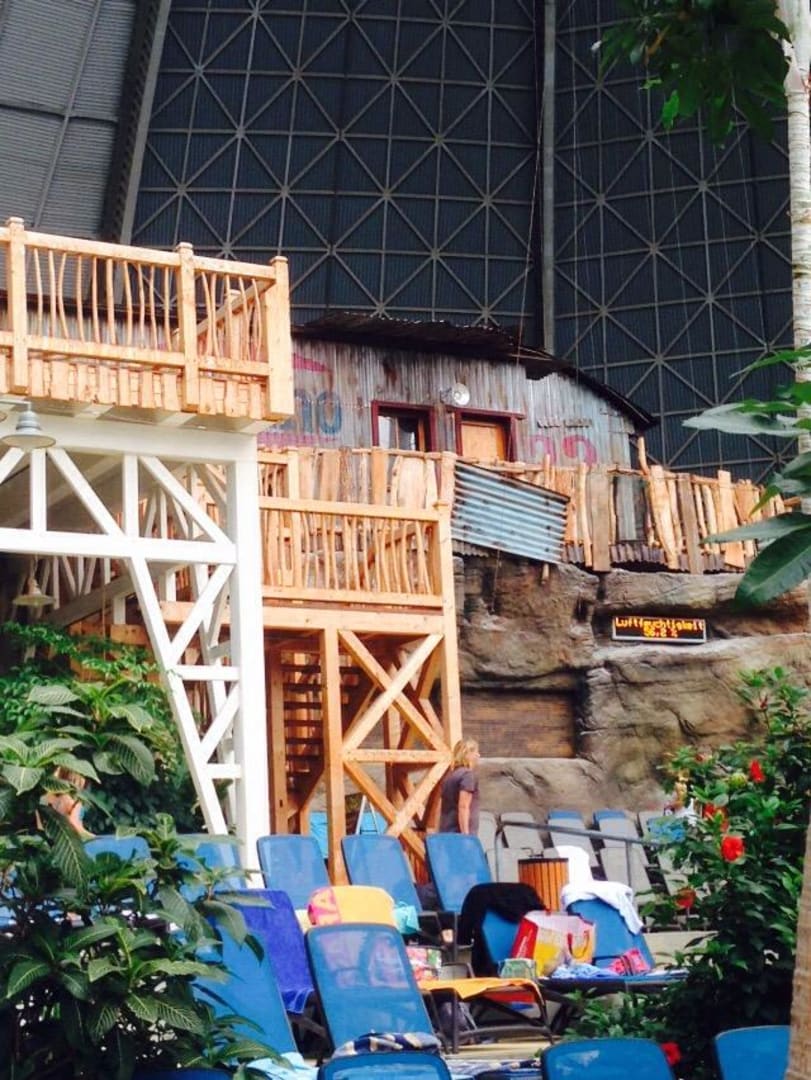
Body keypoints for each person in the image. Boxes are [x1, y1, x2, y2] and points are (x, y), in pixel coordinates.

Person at [439, 737, 480, 835]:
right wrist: (465, 836)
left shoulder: (450, 776)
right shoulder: (467, 775)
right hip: (459, 834)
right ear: (467, 753)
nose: (478, 755)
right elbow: (463, 806)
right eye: (476, 752)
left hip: (446, 831)